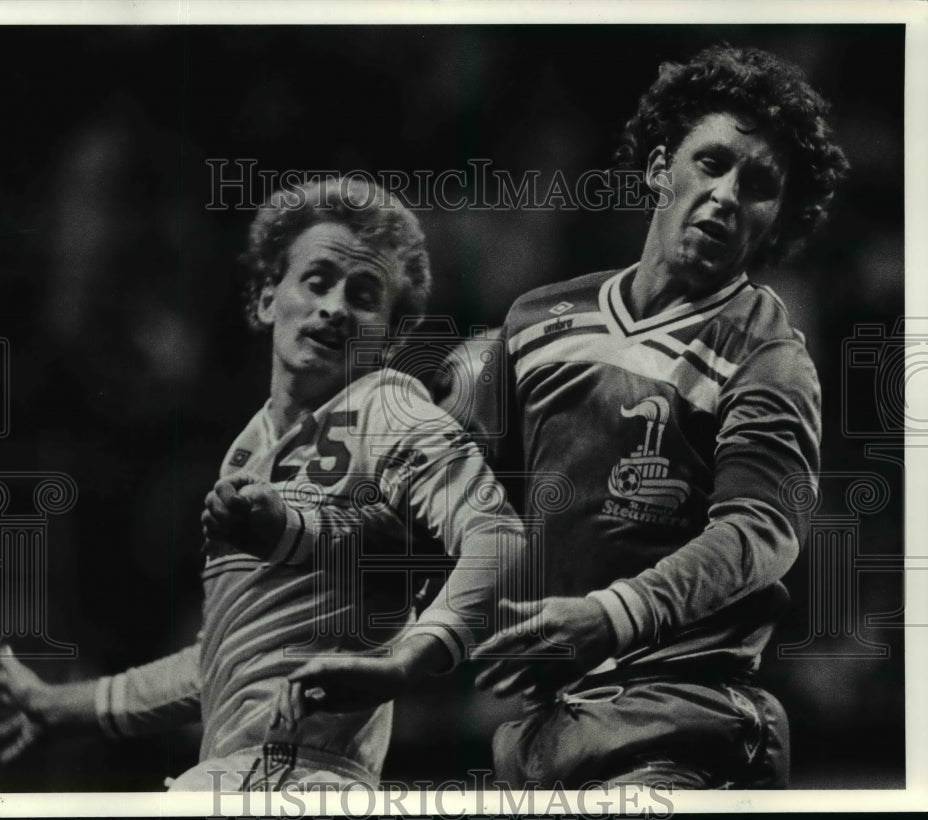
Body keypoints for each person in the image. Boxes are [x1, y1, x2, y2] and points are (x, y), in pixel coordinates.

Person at [286, 45, 849, 789]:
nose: (726, 194)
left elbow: (759, 534)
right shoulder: (538, 320)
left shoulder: (767, 355)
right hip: (539, 740)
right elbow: (474, 522)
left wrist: (611, 615)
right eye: (711, 164)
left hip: (686, 729)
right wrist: (393, 646)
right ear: (659, 170)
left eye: (759, 186)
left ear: (776, 219)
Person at [0, 177, 526, 790]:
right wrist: (62, 707)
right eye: (318, 281)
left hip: (311, 780)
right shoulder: (247, 451)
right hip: (229, 775)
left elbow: (498, 537)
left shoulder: (389, 406)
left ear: (392, 339)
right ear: (268, 298)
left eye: (364, 294)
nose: (335, 306)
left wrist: (404, 663)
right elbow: (222, 660)